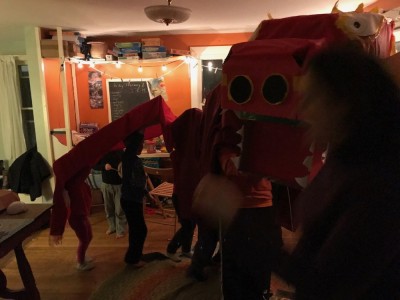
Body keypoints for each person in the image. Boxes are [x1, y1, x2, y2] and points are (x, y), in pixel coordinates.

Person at [275, 44, 400, 299]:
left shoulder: (380, 181)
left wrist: (245, 229)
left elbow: (327, 285)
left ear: (343, 102)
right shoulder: (344, 157)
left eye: (311, 98)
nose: (301, 111)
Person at [50, 166, 95, 271]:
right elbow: (66, 204)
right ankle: (80, 262)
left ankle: (82, 255)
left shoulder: (80, 184)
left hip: (82, 216)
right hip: (76, 218)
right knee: (84, 240)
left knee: (89, 236)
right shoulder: (71, 187)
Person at [120, 131, 147, 267]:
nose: (142, 146)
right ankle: (132, 259)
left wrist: (145, 191)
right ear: (133, 145)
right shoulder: (129, 157)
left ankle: (134, 255)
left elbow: (138, 179)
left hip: (132, 199)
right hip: (130, 200)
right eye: (140, 144)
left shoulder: (131, 158)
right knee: (140, 230)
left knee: (137, 229)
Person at [94, 150, 126, 238]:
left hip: (120, 185)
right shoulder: (101, 152)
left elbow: (127, 165)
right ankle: (112, 227)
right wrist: (104, 166)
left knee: (120, 209)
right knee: (109, 208)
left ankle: (121, 230)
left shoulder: (121, 152)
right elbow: (94, 166)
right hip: (106, 184)